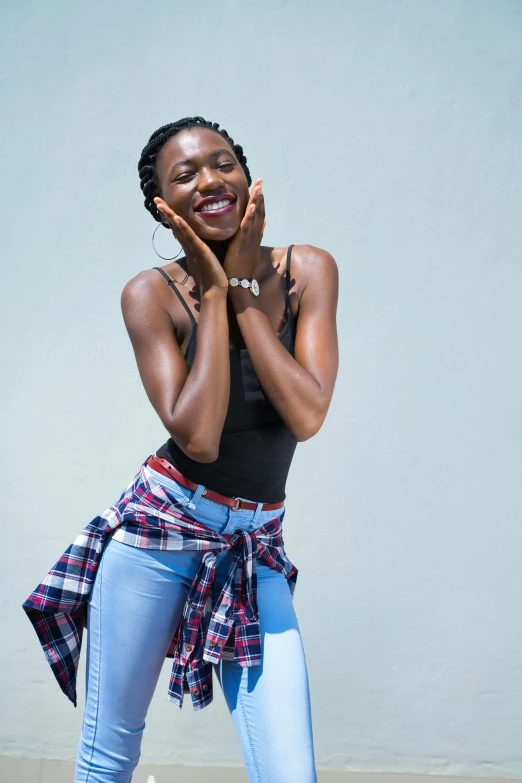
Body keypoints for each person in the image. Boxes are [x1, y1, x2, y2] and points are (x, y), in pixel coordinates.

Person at [23, 115, 339, 783]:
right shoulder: (151, 295)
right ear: (163, 208)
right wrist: (216, 294)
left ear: (247, 178)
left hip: (254, 548)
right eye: (186, 174)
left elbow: (307, 413)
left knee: (291, 773)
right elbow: (196, 433)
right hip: (157, 534)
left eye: (223, 163)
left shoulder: (306, 269)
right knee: (109, 757)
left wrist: (245, 291)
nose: (210, 180)